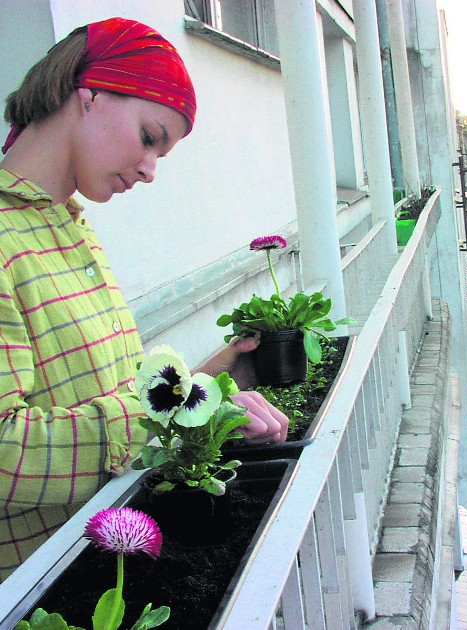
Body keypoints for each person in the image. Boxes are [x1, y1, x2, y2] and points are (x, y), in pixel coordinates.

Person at [0, 17, 288, 580]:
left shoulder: (70, 227)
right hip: (34, 594)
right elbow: (6, 455)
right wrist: (167, 411)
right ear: (90, 93)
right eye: (150, 137)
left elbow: (108, 396)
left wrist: (211, 386)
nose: (151, 170)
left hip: (99, 570)